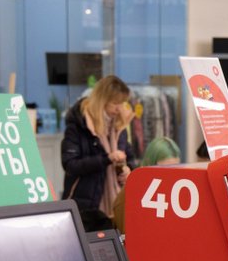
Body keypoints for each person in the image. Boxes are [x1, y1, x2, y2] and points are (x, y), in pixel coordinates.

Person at [61, 75, 135, 220]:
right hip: (86, 208)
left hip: (117, 205)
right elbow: (70, 164)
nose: (119, 109)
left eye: (122, 104)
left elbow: (131, 157)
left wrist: (128, 170)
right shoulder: (78, 126)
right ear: (102, 100)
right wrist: (106, 159)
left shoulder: (119, 127)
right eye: (115, 103)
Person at [112, 136, 181, 232]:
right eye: (164, 169)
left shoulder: (175, 192)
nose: (170, 175)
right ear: (150, 165)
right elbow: (128, 238)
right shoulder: (131, 193)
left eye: (175, 169)